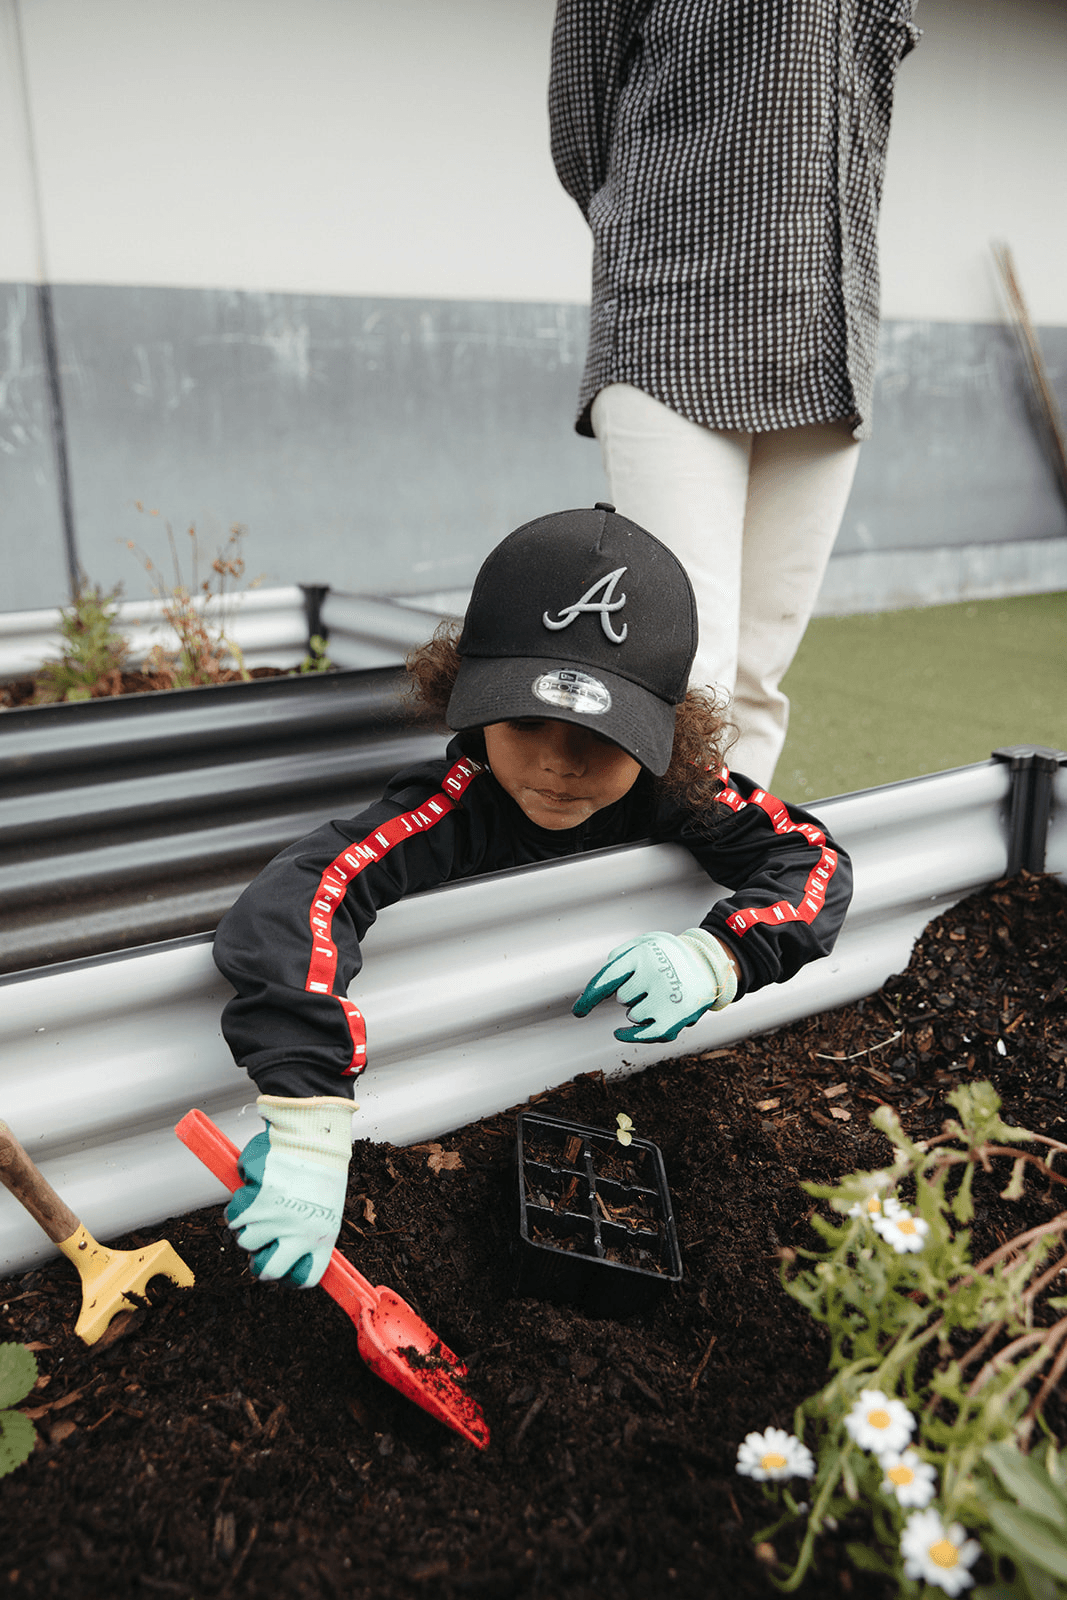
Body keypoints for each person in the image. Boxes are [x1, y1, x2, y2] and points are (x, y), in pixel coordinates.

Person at [213, 504, 853, 1288]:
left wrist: (722, 951)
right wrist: (308, 1113)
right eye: (523, 722)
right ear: (469, 700)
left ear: (665, 734)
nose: (558, 765)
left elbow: (811, 854)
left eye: (601, 737)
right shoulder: (448, 806)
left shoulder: (679, 792)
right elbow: (301, 896)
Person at [549, 0, 920, 787]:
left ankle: (726, 895)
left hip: (825, 332)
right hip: (673, 316)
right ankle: (630, 889)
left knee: (754, 683)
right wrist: (653, 234)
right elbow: (580, 127)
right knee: (687, 673)